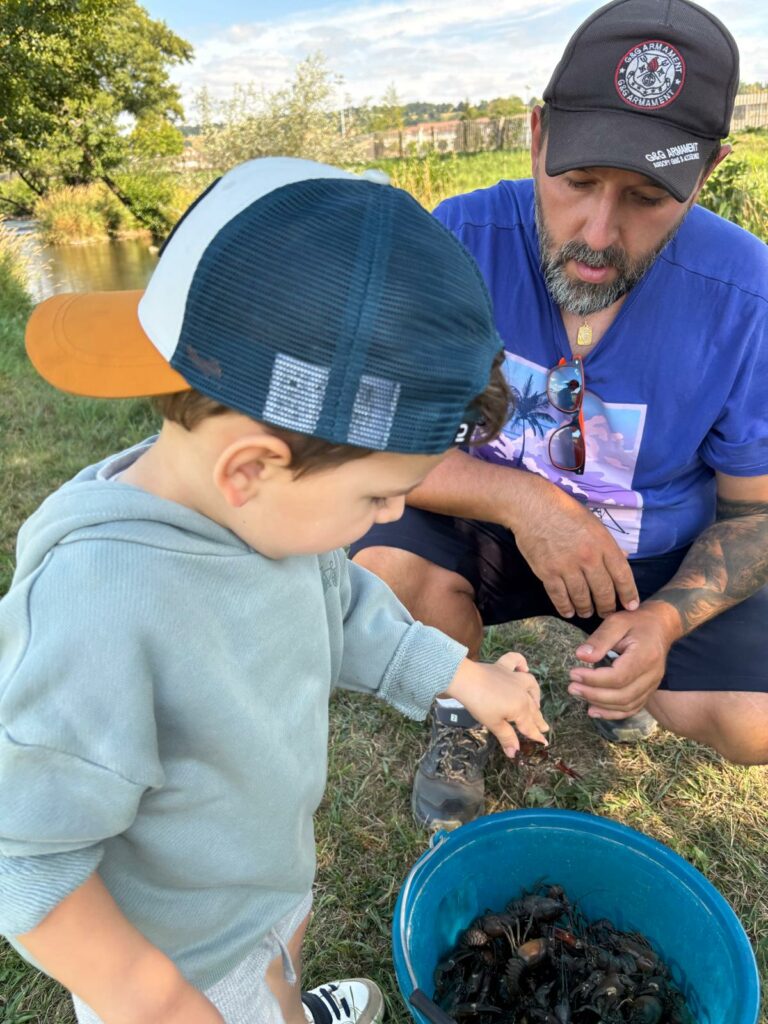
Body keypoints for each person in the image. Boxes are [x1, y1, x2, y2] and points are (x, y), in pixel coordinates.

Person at [0, 158, 550, 1024]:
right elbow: (28, 856)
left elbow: (342, 606)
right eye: (377, 496)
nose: (398, 510)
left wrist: (461, 674)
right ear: (252, 468)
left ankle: (287, 998)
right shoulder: (97, 609)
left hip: (263, 892)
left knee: (278, 976)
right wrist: (160, 1000)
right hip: (178, 961)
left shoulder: (272, 522)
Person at [351, 0, 768, 830]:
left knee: (753, 718)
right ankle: (463, 708)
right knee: (381, 576)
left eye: (647, 197)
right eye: (576, 182)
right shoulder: (457, 237)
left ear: (708, 171)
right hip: (483, 522)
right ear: (537, 138)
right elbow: (378, 447)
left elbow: (756, 513)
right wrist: (528, 503)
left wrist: (664, 616)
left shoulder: (748, 294)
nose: (597, 232)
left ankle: (630, 672)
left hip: (647, 554)